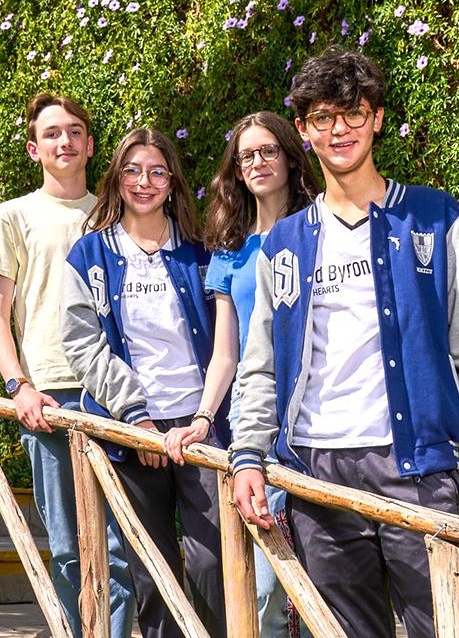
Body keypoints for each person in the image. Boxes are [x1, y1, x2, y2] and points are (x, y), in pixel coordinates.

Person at [227, 47, 459, 638]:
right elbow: (261, 365)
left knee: (442, 626)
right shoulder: (284, 243)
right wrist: (247, 453)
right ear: (304, 130)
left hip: (414, 466)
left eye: (354, 113)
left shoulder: (437, 219)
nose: (340, 130)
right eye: (323, 117)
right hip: (316, 471)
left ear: (377, 118)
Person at [0, 93, 135, 638]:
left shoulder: (116, 214)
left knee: (120, 544)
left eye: (74, 131)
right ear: (33, 149)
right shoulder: (12, 216)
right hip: (47, 398)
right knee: (67, 547)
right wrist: (18, 386)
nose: (64, 141)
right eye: (51, 133)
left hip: (113, 394)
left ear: (91, 144)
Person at [60, 128, 229, 638]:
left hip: (201, 426)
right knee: (152, 571)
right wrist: (136, 416)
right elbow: (82, 346)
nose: (144, 182)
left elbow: (228, 339)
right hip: (130, 428)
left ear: (173, 182)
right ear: (116, 178)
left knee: (213, 563)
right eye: (132, 170)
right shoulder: (90, 256)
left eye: (157, 172)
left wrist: (204, 417)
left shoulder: (201, 252)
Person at [163, 111, 318, 637]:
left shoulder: (320, 228)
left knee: (327, 576)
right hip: (258, 426)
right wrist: (204, 417)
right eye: (246, 155)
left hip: (321, 419)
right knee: (270, 585)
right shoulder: (230, 251)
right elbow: (225, 353)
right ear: (235, 169)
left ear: (291, 157)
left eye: (268, 150)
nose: (257, 162)